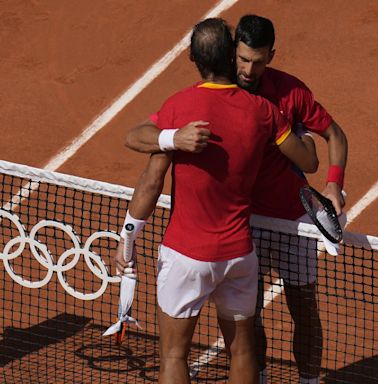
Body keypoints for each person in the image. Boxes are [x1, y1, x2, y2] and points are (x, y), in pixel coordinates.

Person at [124, 15, 348, 384]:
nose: (248, 69)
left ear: (271, 56)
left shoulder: (288, 94)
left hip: (290, 222)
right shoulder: (252, 109)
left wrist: (334, 185)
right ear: (232, 55)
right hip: (247, 227)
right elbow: (307, 155)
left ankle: (308, 380)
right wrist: (174, 138)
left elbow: (331, 139)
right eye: (242, 60)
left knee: (303, 308)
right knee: (248, 325)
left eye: (258, 61)